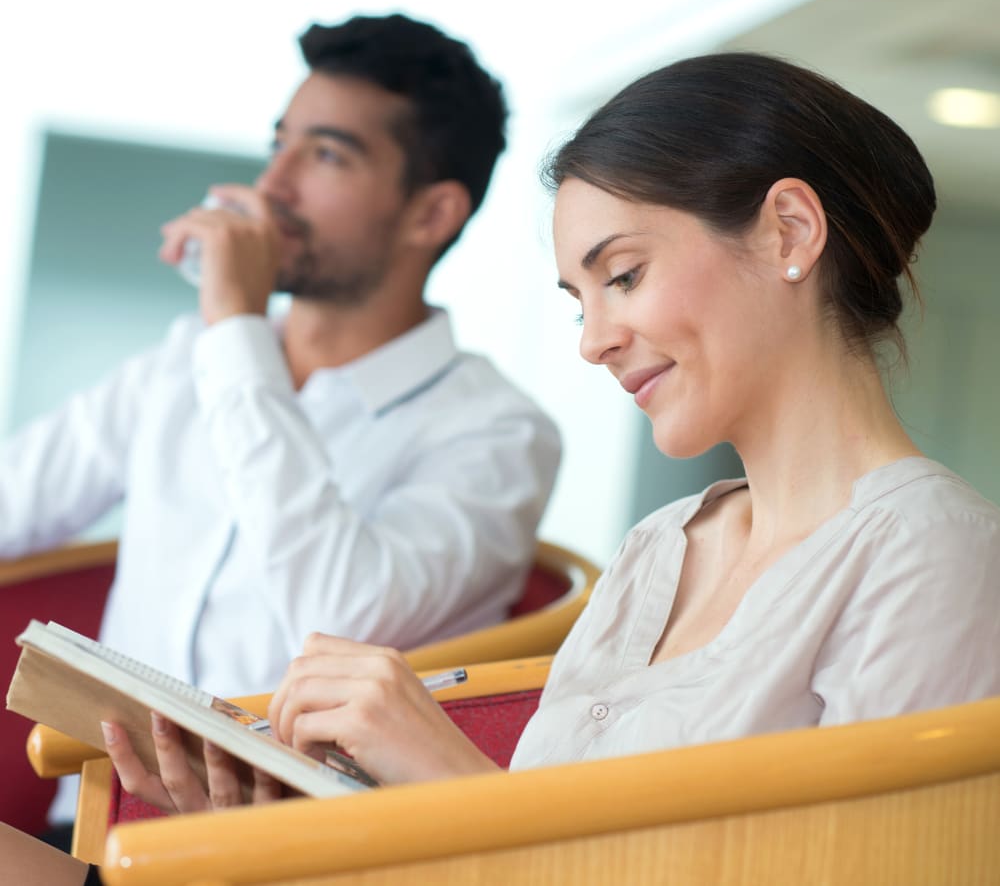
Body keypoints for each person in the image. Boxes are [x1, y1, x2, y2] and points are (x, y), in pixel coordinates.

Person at [8, 48, 1000, 885]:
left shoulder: (929, 549)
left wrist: (441, 775)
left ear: (788, 231)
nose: (593, 341)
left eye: (622, 275)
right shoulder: (660, 547)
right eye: (579, 300)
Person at [0, 13, 560, 835]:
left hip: (288, 852)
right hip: (87, 824)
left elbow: (339, 615)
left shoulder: (499, 434)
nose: (274, 184)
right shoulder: (186, 360)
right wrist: (226, 337)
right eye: (279, 144)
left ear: (430, 214)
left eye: (326, 154)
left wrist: (235, 326)